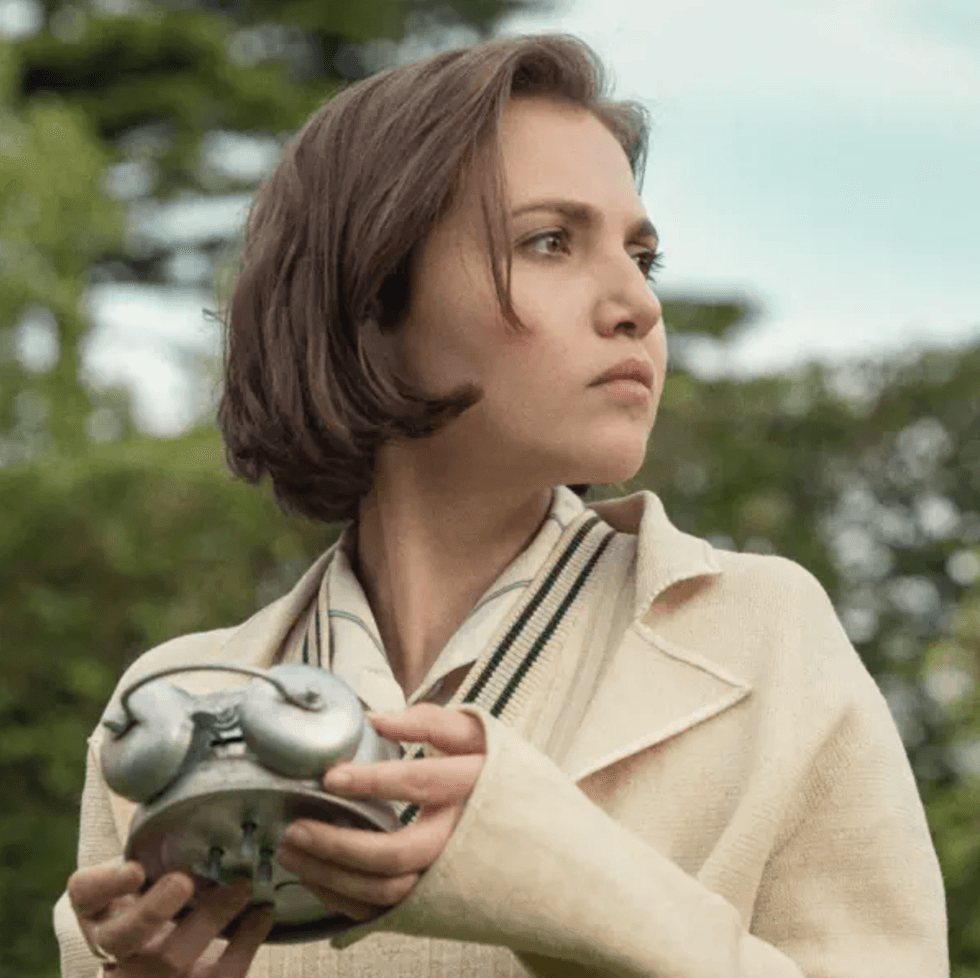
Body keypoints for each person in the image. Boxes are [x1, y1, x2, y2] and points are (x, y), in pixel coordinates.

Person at [54, 31, 949, 978]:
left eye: (642, 257)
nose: (637, 306)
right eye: (550, 242)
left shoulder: (763, 637)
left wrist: (560, 880)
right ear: (371, 301)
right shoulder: (178, 707)